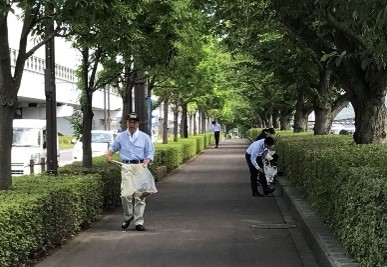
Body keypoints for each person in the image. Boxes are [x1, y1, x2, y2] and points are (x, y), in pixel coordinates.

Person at [106, 112, 155, 231]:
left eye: (134, 122)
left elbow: (150, 152)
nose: (132, 124)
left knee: (140, 196)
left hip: (140, 167)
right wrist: (109, 155)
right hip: (127, 167)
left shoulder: (144, 137)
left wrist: (147, 160)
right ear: (127, 123)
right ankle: (128, 216)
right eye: (130, 122)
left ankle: (139, 222)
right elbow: (113, 148)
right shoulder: (121, 136)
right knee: (125, 194)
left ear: (138, 124)